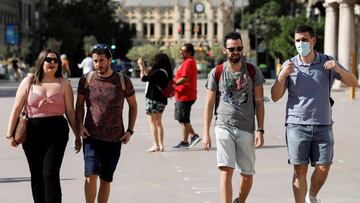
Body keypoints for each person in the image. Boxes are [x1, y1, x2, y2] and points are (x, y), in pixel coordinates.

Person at [271, 25, 358, 203]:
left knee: (324, 167)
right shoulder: (290, 64)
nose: (300, 43)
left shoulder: (327, 62)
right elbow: (274, 96)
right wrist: (281, 77)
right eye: (297, 40)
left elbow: (354, 83)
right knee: (299, 170)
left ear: (313, 41)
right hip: (296, 126)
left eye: (304, 39)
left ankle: (312, 195)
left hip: (323, 124)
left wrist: (339, 70)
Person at [6, 48, 80, 203]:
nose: (52, 63)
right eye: (48, 59)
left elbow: (70, 112)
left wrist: (77, 135)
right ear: (41, 61)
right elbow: (17, 107)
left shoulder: (64, 83)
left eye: (55, 60)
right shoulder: (29, 81)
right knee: (36, 173)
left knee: (50, 173)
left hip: (57, 131)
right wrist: (10, 134)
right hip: (32, 131)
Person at [202, 31, 265, 203]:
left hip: (247, 128)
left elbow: (259, 103)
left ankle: (241, 201)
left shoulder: (252, 71)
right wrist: (206, 133)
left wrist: (260, 130)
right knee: (225, 170)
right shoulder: (217, 72)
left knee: (247, 174)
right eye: (232, 49)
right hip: (223, 125)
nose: (235, 51)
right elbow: (208, 104)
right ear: (225, 50)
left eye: (239, 48)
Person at [76, 44, 137, 203]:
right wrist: (80, 126)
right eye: (95, 61)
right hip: (91, 136)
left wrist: (130, 130)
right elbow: (79, 105)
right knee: (90, 176)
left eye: (102, 60)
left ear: (109, 60)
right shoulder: (86, 80)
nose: (98, 64)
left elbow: (133, 105)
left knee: (106, 179)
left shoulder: (123, 81)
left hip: (114, 138)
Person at [137, 53, 173, 152]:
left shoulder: (158, 72)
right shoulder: (165, 72)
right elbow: (149, 76)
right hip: (162, 100)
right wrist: (143, 67)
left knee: (152, 122)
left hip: (153, 99)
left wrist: (141, 67)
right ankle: (161, 145)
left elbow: (143, 78)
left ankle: (155, 144)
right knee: (158, 122)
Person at [172, 43, 201, 149]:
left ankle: (194, 136)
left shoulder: (188, 62)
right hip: (183, 95)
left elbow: (185, 78)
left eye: (183, 50)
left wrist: (173, 84)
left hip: (186, 95)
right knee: (182, 118)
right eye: (181, 49)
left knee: (183, 119)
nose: (181, 52)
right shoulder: (187, 62)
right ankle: (185, 141)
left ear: (189, 52)